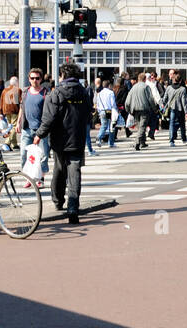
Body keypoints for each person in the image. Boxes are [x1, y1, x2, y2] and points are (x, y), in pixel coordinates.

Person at [35, 62, 93, 224]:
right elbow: (89, 114)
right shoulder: (84, 93)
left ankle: (58, 200)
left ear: (62, 76)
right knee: (75, 172)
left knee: (59, 170)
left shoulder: (56, 94)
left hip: (60, 139)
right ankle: (73, 206)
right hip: (78, 139)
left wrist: (39, 135)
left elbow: (49, 118)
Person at [18, 68, 49, 177]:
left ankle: (40, 178)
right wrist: (18, 122)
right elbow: (22, 107)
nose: (35, 80)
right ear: (29, 79)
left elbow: (49, 111)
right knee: (24, 154)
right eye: (32, 78)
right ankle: (28, 178)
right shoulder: (25, 91)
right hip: (27, 128)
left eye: (37, 78)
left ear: (41, 79)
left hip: (41, 129)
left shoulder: (45, 92)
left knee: (43, 156)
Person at [125, 73, 158, 150]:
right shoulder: (146, 87)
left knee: (140, 126)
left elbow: (127, 101)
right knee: (142, 127)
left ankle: (142, 142)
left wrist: (129, 110)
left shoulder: (133, 87)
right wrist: (154, 108)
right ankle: (137, 142)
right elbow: (150, 99)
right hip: (144, 109)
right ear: (144, 79)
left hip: (135, 110)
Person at [0, 76, 22, 151]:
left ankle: (14, 144)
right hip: (15, 110)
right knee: (14, 127)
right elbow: (21, 102)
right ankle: (7, 143)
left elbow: (1, 102)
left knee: (10, 127)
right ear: (16, 82)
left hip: (6, 111)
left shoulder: (5, 90)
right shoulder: (18, 90)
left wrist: (0, 112)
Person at [94, 79, 118, 148]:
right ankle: (110, 142)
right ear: (109, 85)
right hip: (109, 111)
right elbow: (113, 103)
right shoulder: (110, 93)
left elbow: (97, 103)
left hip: (101, 111)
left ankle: (99, 137)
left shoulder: (100, 93)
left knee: (103, 125)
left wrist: (99, 111)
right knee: (112, 127)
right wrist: (115, 110)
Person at [164, 74, 187, 146]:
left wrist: (164, 105)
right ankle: (183, 138)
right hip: (180, 109)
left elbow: (165, 98)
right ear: (180, 81)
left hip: (171, 108)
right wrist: (186, 112)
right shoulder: (183, 89)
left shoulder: (169, 88)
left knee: (171, 124)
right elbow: (184, 102)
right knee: (182, 124)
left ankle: (171, 140)